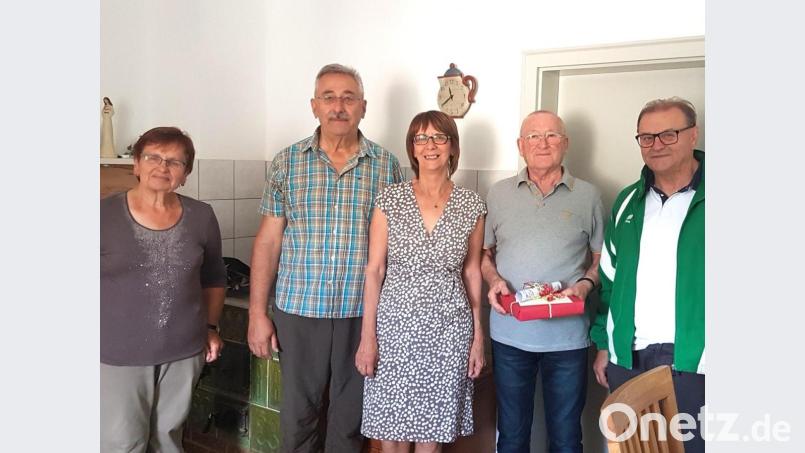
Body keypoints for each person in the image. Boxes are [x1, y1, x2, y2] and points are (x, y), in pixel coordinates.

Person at [247, 63, 403, 453]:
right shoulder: (287, 162)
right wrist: (256, 314)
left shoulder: (386, 166)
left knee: (351, 418)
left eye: (348, 97)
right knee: (298, 416)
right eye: (329, 97)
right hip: (299, 310)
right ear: (314, 106)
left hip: (360, 313)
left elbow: (396, 247)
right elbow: (267, 243)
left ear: (363, 107)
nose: (339, 106)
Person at [357, 111, 486, 453]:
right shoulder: (389, 199)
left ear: (452, 147)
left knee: (432, 438)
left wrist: (477, 337)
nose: (430, 145)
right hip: (395, 331)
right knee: (392, 435)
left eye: (439, 137)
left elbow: (472, 272)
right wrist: (367, 337)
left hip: (449, 333)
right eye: (421, 138)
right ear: (412, 149)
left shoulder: (472, 204)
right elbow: (375, 270)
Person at [481, 111, 604, 453]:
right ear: (521, 146)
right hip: (510, 334)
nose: (543, 143)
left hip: (567, 339)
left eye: (552, 135)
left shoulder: (589, 196)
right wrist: (492, 279)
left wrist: (584, 285)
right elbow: (484, 254)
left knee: (566, 439)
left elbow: (600, 261)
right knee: (511, 436)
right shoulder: (498, 194)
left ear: (565, 143)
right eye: (533, 136)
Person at [100, 126, 227, 453]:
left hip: (183, 351)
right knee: (122, 442)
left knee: (168, 439)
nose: (162, 167)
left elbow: (213, 277)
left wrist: (211, 328)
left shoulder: (202, 216)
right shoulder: (102, 215)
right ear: (136, 165)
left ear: (185, 174)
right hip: (116, 353)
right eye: (153, 157)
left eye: (175, 162)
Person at [591, 97, 704, 453]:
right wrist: (605, 345)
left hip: (696, 362)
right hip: (630, 359)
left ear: (692, 135)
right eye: (647, 137)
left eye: (669, 134)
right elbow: (609, 283)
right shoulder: (627, 202)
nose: (657, 145)